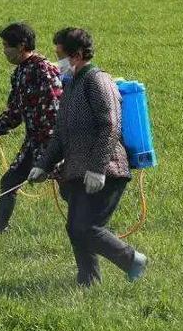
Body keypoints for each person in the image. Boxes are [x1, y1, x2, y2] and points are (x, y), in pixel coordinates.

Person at [29, 27, 148, 286]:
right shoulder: (71, 86)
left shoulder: (97, 81)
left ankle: (133, 260)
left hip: (107, 170)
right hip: (77, 172)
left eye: (60, 54)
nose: (56, 60)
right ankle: (88, 281)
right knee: (76, 229)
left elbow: (110, 125)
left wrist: (98, 168)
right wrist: (42, 165)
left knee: (86, 227)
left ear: (78, 54)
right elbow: (60, 134)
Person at [0, 22, 63, 234]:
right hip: (34, 141)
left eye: (6, 46)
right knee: (9, 181)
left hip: (54, 142)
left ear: (21, 46)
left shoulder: (43, 70)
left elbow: (54, 109)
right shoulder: (20, 73)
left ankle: (89, 228)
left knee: (69, 188)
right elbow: (16, 110)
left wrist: (49, 153)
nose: (3, 51)